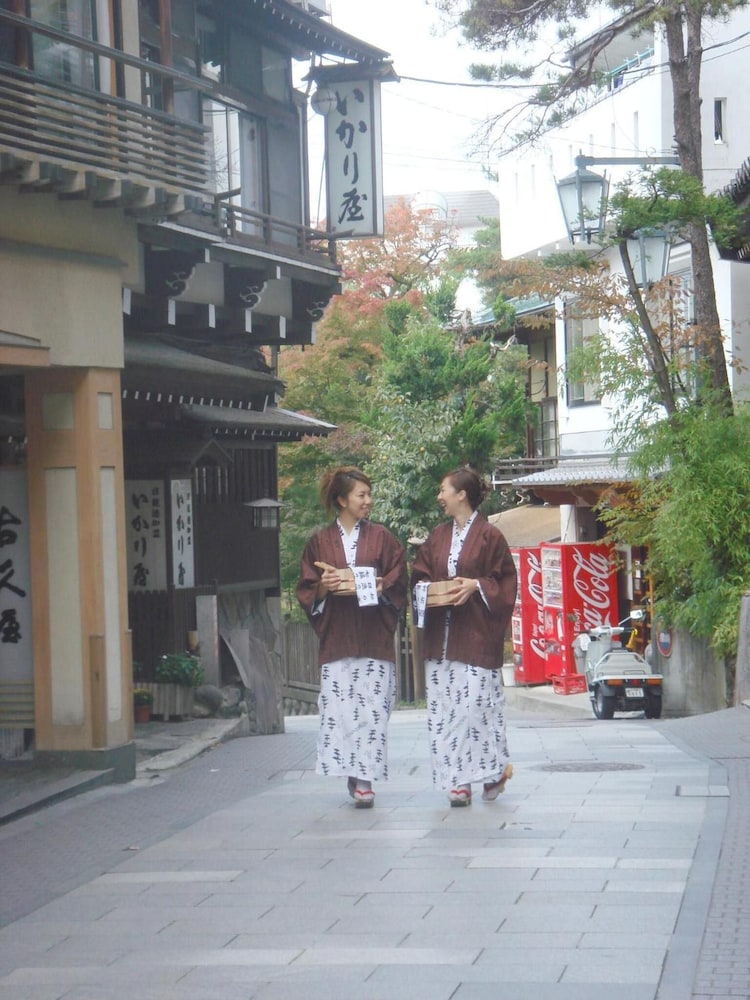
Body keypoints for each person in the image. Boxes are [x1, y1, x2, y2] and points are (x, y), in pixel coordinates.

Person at [297, 467, 407, 808]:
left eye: (369, 494)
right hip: (338, 638)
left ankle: (365, 778)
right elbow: (306, 587)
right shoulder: (319, 541)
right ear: (342, 500)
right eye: (362, 495)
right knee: (341, 710)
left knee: (373, 710)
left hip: (373, 636)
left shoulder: (382, 538)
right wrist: (323, 587)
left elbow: (399, 577)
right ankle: (354, 771)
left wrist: (382, 585)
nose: (368, 501)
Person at [411, 467, 518, 807]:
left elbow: (506, 582)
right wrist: (428, 589)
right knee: (445, 711)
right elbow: (419, 574)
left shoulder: (490, 536)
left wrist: (477, 585)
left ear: (461, 495)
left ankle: (493, 771)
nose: (439, 497)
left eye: (443, 490)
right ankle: (457, 781)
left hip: (475, 636)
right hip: (441, 639)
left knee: (476, 708)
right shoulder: (437, 536)